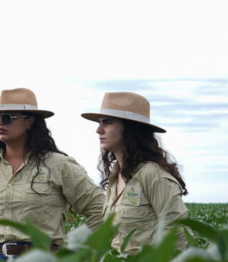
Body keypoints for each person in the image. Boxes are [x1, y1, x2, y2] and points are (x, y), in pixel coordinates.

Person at [0, 88, 105, 260]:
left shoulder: (59, 165)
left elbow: (99, 208)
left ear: (29, 121)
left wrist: (75, 252)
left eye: (7, 118)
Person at [81, 91, 188, 253]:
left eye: (107, 122)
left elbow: (177, 235)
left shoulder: (152, 174)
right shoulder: (115, 176)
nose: (98, 129)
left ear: (130, 129)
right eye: (99, 122)